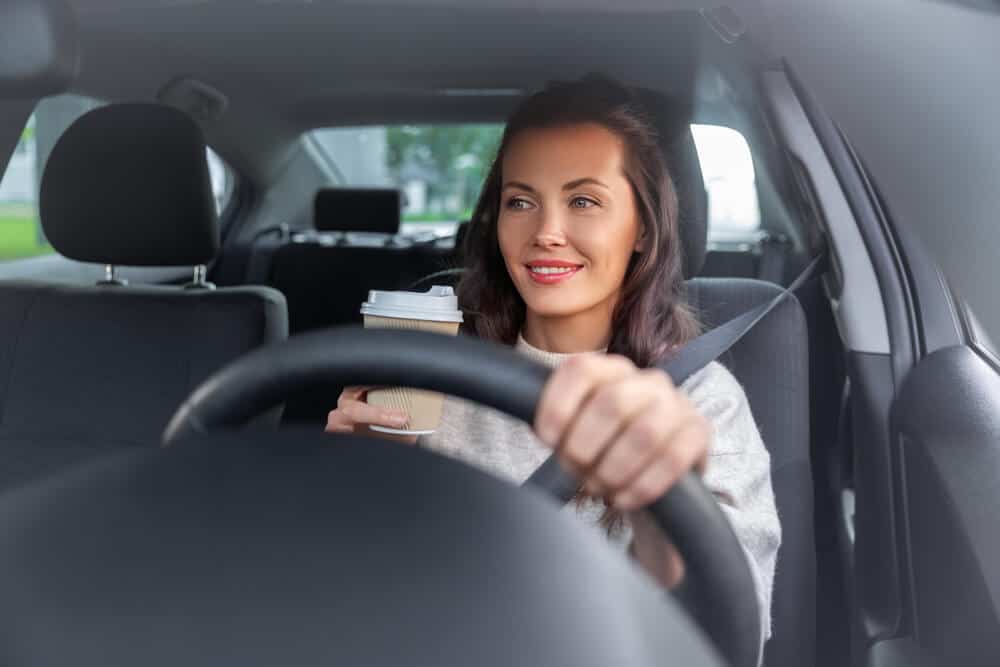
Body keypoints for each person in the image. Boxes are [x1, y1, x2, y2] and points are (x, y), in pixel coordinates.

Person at [326, 74, 780, 660]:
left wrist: (662, 499)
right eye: (521, 202)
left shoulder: (701, 400)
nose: (546, 233)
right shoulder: (430, 376)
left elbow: (721, 641)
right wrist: (355, 486)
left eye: (584, 200)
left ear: (642, 226)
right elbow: (361, 605)